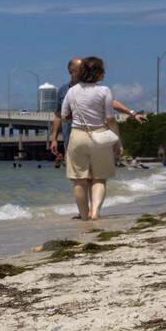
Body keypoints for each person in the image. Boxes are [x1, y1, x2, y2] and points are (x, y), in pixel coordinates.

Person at [49, 57, 145, 163]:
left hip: (95, 138)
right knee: (80, 176)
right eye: (81, 68)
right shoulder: (64, 91)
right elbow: (58, 116)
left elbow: (112, 103)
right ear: (71, 71)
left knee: (89, 176)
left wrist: (132, 113)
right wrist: (54, 139)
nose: (84, 70)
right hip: (72, 139)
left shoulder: (95, 88)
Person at [60, 56, 120, 220]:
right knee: (99, 178)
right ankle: (95, 213)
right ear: (99, 73)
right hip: (99, 135)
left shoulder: (72, 91)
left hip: (78, 136)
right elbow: (110, 119)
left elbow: (64, 115)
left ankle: (84, 216)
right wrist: (117, 142)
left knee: (79, 180)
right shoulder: (104, 91)